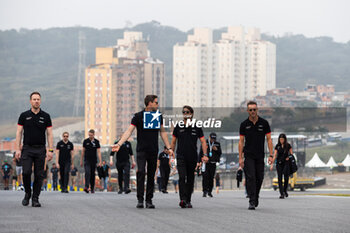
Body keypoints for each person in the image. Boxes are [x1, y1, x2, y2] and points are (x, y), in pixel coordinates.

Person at [112, 95, 173, 209]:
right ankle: (140, 199)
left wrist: (169, 148)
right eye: (156, 102)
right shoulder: (138, 116)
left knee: (151, 174)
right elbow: (129, 131)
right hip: (141, 150)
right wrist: (119, 144)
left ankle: (149, 200)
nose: (157, 104)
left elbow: (163, 132)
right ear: (149, 103)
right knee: (140, 172)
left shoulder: (158, 116)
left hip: (153, 150)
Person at [15, 91, 53, 207]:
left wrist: (50, 150)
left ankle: (35, 198)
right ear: (30, 101)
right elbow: (19, 132)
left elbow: (50, 134)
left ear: (40, 101)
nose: (36, 101)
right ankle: (27, 193)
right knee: (26, 172)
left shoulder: (46, 116)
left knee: (39, 175)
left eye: (38, 99)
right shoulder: (24, 115)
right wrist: (17, 149)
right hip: (27, 149)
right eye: (34, 99)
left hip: (40, 149)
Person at [170, 105, 208, 208]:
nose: (185, 114)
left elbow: (203, 142)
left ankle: (188, 200)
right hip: (181, 156)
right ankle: (182, 199)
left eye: (187, 112)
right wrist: (171, 155)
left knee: (190, 178)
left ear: (191, 114)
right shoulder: (178, 126)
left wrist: (205, 155)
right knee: (182, 177)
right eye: (184, 112)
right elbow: (173, 142)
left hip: (192, 157)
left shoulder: (197, 127)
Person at [239, 100, 273, 210]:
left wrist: (271, 155)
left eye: (254, 109)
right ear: (247, 111)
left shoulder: (264, 123)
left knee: (260, 178)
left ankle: (255, 195)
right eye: (250, 110)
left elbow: (269, 140)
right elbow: (241, 141)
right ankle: (252, 201)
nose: (253, 111)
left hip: (260, 155)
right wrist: (240, 158)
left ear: (257, 110)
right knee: (251, 177)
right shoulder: (244, 124)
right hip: (248, 155)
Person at [270, 133, 293, 199]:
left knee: (286, 178)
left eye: (282, 139)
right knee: (279, 178)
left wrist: (289, 157)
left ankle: (285, 190)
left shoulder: (288, 145)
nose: (281, 140)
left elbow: (291, 154)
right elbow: (275, 155)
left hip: (286, 163)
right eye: (280, 139)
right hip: (279, 164)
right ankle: (281, 193)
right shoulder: (277, 146)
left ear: (285, 139)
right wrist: (272, 164)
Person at [200, 132, 222, 197]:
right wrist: (199, 162)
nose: (213, 140)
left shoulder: (217, 144)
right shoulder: (205, 143)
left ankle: (210, 191)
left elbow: (220, 153)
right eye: (212, 139)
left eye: (214, 139)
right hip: (205, 163)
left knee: (211, 178)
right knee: (205, 177)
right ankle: (204, 191)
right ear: (209, 137)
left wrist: (216, 149)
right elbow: (200, 152)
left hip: (213, 163)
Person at [81, 129, 102, 194]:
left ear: (94, 135)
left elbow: (98, 152)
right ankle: (86, 187)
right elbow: (83, 151)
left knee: (92, 174)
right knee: (87, 172)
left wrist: (100, 161)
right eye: (89, 135)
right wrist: (81, 160)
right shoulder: (85, 141)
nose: (90, 136)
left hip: (94, 161)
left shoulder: (96, 142)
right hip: (87, 160)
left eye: (91, 135)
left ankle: (92, 188)